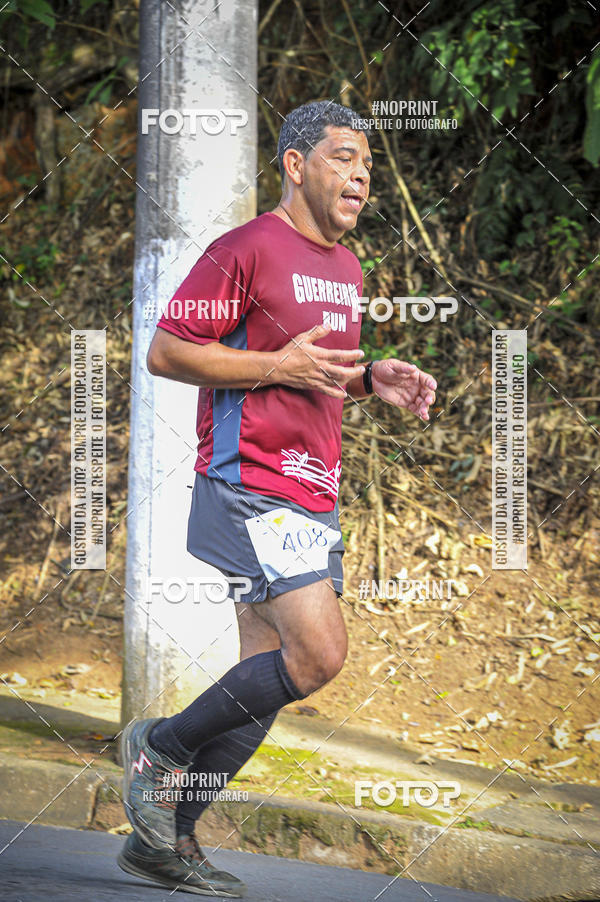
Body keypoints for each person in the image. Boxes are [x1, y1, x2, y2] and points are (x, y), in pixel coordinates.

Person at [118, 99, 437, 896]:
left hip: (310, 495)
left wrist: (370, 380)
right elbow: (166, 351)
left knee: (265, 678)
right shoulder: (249, 248)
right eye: (341, 157)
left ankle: (168, 841)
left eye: (366, 163)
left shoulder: (348, 270)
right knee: (320, 654)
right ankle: (158, 748)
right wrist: (275, 369)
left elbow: (313, 373)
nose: (360, 174)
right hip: (247, 485)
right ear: (295, 165)